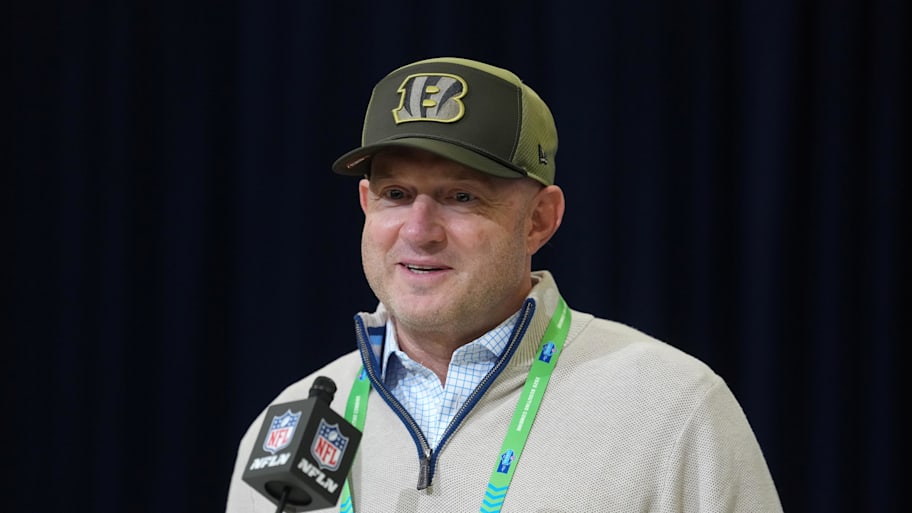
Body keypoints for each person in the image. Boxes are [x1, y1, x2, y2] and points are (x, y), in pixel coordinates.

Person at [225, 57, 783, 513]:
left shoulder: (672, 407)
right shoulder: (286, 426)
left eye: (461, 197)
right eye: (396, 195)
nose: (419, 231)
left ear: (540, 219)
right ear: (367, 204)